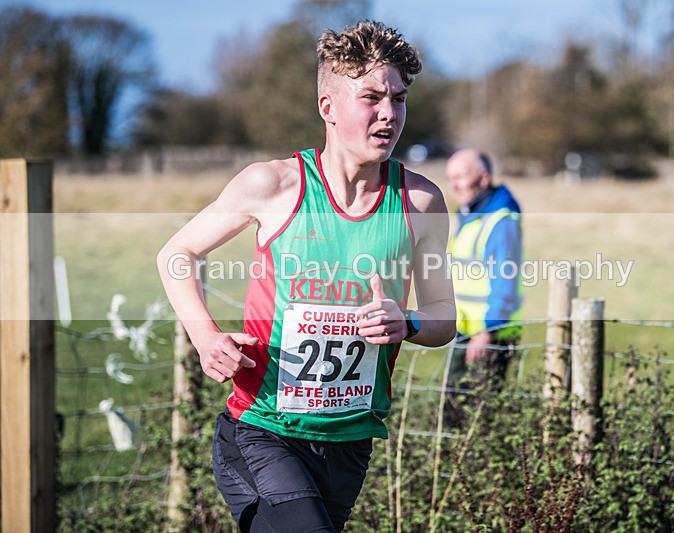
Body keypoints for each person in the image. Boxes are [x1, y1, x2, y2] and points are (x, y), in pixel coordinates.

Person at [156, 20, 455, 533]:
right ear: (328, 108)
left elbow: (443, 319)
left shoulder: (421, 202)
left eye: (399, 100)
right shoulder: (272, 185)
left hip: (351, 441)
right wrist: (204, 336)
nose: (389, 114)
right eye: (372, 98)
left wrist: (404, 323)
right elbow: (177, 253)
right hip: (263, 430)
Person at [444, 149, 522, 422]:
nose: (454, 184)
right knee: (454, 410)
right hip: (464, 331)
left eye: (461, 176)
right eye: (450, 177)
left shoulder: (501, 221)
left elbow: (505, 280)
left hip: (488, 336)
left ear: (484, 177)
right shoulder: (469, 215)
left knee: (482, 417)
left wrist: (488, 331)